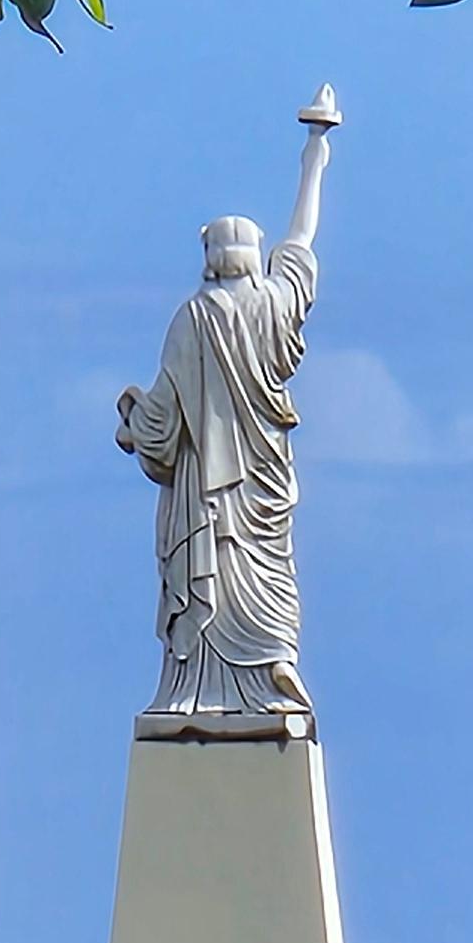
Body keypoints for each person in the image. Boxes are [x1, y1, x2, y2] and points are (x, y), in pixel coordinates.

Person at [115, 109, 332, 724]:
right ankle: (273, 659)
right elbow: (301, 241)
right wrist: (315, 157)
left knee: (207, 570)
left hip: (205, 494)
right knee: (268, 565)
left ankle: (203, 685)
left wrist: (131, 417)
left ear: (211, 258)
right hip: (263, 480)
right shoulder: (274, 307)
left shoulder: (193, 317)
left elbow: (161, 419)